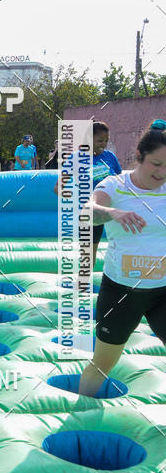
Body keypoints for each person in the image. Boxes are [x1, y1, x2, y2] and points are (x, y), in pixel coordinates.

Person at [78, 120, 166, 397]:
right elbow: (86, 211)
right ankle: (77, 415)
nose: (162, 172)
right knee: (102, 364)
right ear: (139, 157)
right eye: (156, 164)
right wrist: (113, 213)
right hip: (120, 292)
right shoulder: (115, 185)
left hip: (162, 292)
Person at [53, 121, 122, 266]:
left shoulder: (110, 157)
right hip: (89, 212)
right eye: (99, 140)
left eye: (106, 140)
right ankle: (84, 283)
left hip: (111, 209)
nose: (103, 144)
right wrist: (72, 196)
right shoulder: (76, 158)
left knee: (120, 248)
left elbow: (121, 182)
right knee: (89, 251)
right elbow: (58, 188)